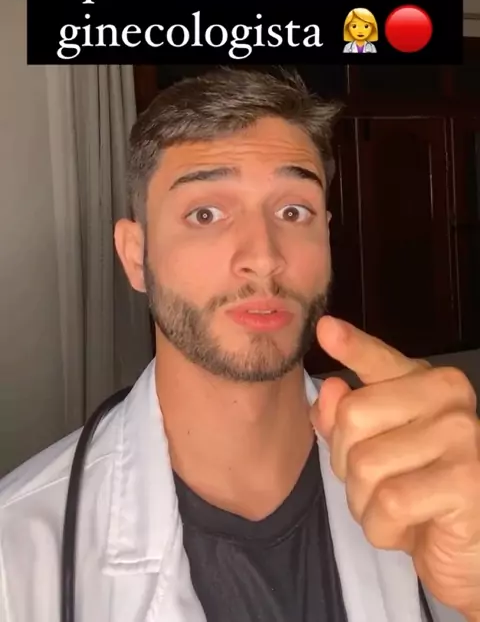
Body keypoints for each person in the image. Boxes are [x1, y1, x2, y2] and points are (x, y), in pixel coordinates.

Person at [0, 67, 479, 622]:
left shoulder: (448, 491)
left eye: (293, 211)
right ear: (136, 256)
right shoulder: (15, 556)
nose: (264, 256)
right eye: (205, 213)